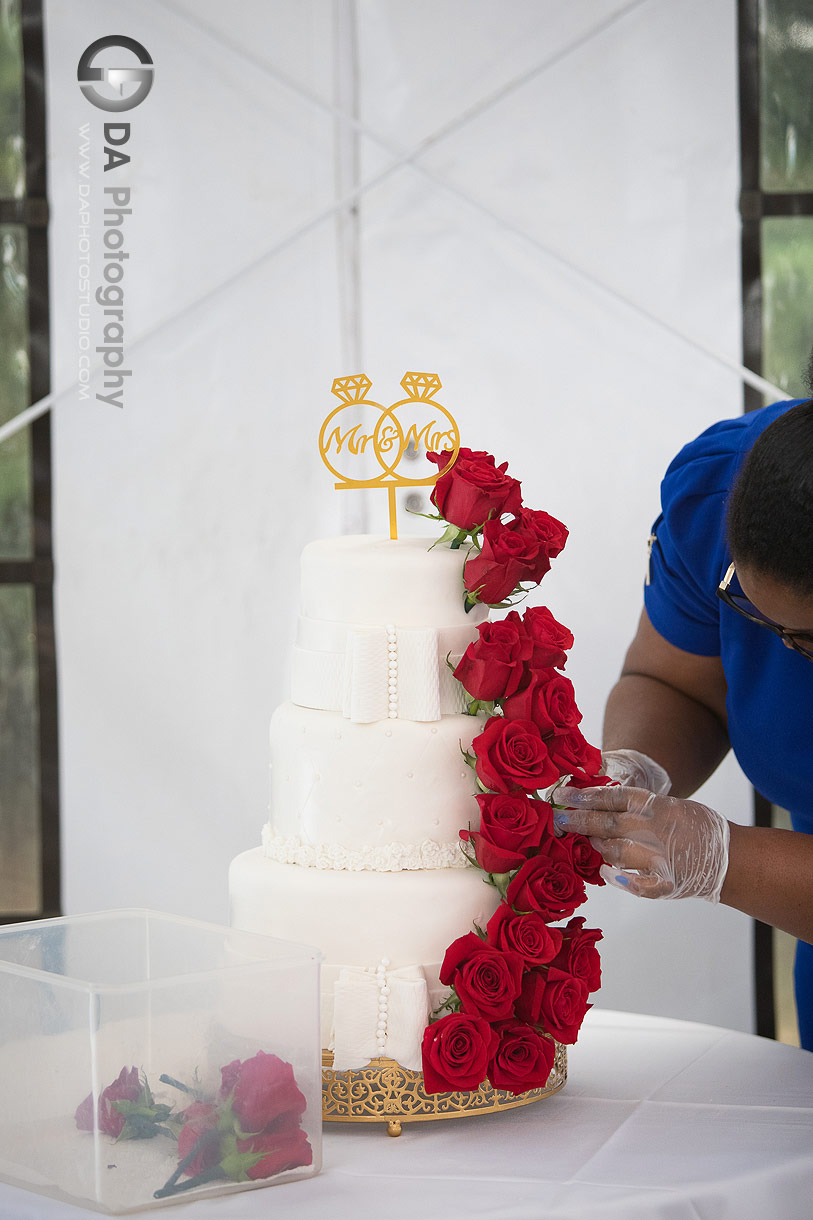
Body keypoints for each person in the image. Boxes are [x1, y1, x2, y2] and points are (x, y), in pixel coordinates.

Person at [554, 388, 813, 1051]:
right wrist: (634, 767)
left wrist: (722, 861)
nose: (784, 652)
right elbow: (676, 682)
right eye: (757, 616)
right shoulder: (725, 490)